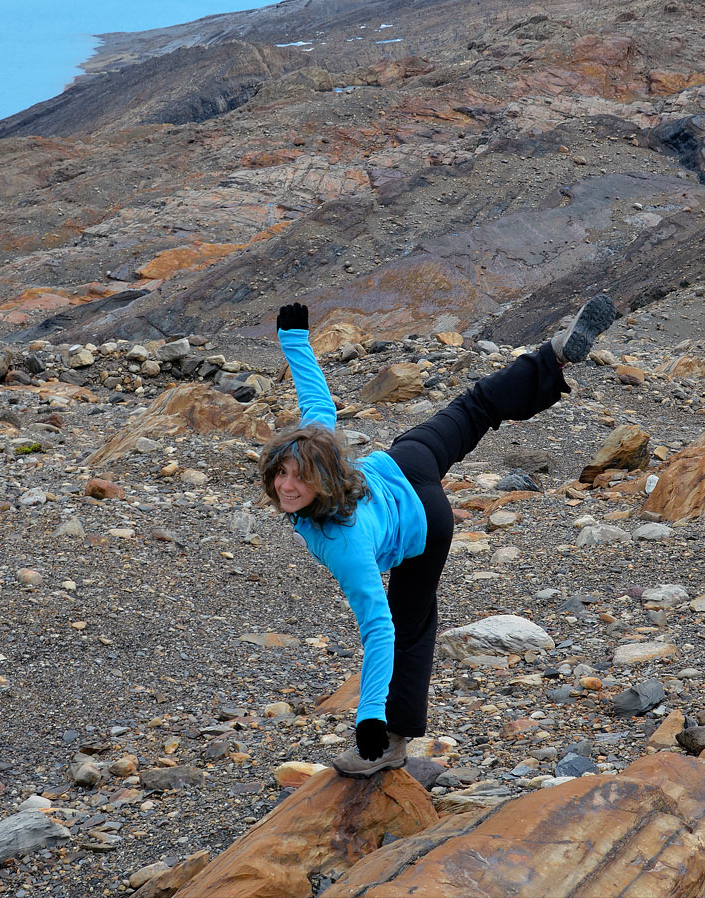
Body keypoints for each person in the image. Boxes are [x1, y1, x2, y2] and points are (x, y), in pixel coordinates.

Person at [259, 295, 616, 778]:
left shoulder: (345, 544)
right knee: (474, 407)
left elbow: (377, 628)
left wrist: (368, 716)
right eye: (280, 473)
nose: (286, 486)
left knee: (409, 627)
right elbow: (318, 403)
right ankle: (552, 355)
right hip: (404, 463)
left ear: (323, 478)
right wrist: (295, 339)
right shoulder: (318, 449)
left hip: (423, 525)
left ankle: (388, 743)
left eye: (298, 479)